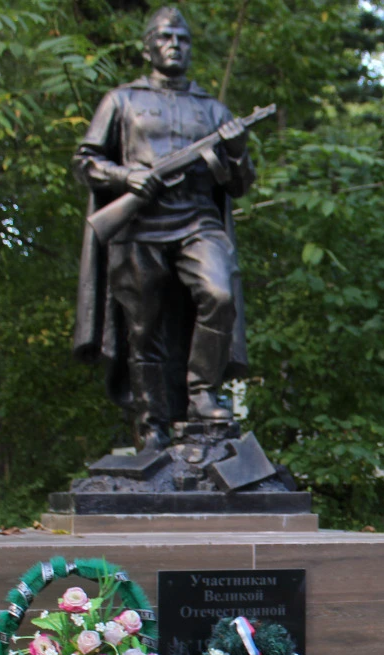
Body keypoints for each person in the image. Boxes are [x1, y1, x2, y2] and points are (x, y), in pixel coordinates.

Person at [70, 6, 255, 452]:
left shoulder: (213, 110)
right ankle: (151, 422)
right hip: (139, 224)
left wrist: (236, 150)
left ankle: (202, 395)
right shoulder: (121, 100)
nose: (175, 45)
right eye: (166, 37)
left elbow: (241, 183)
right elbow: (85, 161)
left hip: (197, 221)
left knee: (219, 292)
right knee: (143, 329)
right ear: (148, 46)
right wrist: (125, 177)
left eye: (183, 39)